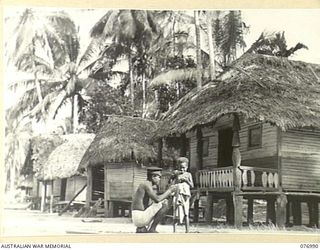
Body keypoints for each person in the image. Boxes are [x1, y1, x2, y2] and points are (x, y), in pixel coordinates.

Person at [132, 167, 177, 233]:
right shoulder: (146, 184)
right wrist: (169, 191)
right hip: (140, 218)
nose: (160, 179)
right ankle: (152, 228)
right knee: (164, 204)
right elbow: (157, 199)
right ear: (153, 177)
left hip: (137, 218)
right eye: (159, 177)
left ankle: (141, 228)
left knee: (158, 204)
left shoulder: (146, 184)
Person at [171, 157, 194, 227]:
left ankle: (187, 231)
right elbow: (172, 183)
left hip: (185, 195)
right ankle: (174, 230)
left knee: (186, 212)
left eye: (183, 167)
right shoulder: (177, 174)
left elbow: (192, 185)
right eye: (180, 167)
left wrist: (186, 180)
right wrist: (173, 177)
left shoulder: (188, 174)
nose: (182, 169)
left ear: (186, 167)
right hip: (178, 194)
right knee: (175, 212)